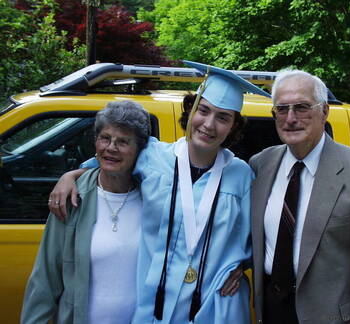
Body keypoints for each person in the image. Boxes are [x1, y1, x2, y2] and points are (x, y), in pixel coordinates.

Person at [48, 60, 272, 324]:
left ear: (233, 126)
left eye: (223, 117)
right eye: (204, 110)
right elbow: (108, 163)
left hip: (215, 304)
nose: (209, 125)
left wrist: (243, 265)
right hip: (156, 301)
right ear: (190, 110)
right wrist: (70, 176)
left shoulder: (241, 175)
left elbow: (258, 236)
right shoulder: (152, 157)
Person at [249, 69, 350, 324]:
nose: (291, 118)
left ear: (324, 111)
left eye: (302, 107)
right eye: (282, 109)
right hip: (271, 311)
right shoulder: (261, 165)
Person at [21, 101, 151, 324]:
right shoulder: (71, 199)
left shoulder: (155, 197)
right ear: (95, 141)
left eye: (123, 141)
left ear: (139, 149)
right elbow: (45, 281)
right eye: (105, 138)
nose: (111, 147)